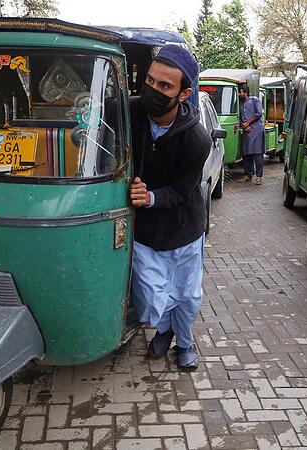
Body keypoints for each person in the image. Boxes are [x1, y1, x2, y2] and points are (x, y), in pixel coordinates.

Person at [128, 45, 211, 370]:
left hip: (184, 228)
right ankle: (163, 328)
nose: (153, 90)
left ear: (184, 93)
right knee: (150, 294)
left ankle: (184, 342)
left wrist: (149, 197)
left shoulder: (197, 140)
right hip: (146, 231)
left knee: (187, 295)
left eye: (165, 86)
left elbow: (180, 191)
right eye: (150, 81)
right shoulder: (128, 112)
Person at [237, 85, 265, 185]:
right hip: (246, 131)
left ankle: (258, 177)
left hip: (256, 130)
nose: (239, 94)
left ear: (245, 92)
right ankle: (248, 175)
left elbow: (258, 114)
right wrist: (244, 126)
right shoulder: (240, 104)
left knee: (258, 153)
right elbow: (240, 117)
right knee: (246, 154)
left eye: (240, 92)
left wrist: (248, 123)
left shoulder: (254, 100)